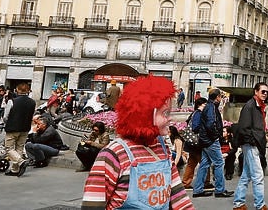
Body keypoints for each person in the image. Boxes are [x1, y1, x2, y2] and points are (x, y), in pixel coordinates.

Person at [82, 75, 194, 209]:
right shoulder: (112, 155)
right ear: (145, 115)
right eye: (165, 113)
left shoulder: (163, 149)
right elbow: (92, 205)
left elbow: (179, 198)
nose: (170, 119)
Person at [232, 82, 268, 210]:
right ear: (256, 92)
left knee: (246, 176)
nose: (265, 94)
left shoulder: (259, 106)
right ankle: (260, 205)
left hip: (255, 144)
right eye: (262, 91)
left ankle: (238, 203)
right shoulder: (250, 106)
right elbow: (244, 128)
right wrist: (253, 141)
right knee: (258, 176)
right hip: (251, 145)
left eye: (266, 92)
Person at [193, 87, 234, 198]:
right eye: (220, 96)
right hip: (210, 141)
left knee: (204, 164)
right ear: (218, 97)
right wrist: (216, 136)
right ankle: (220, 190)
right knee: (219, 162)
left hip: (205, 140)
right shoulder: (211, 108)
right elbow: (211, 124)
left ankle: (198, 189)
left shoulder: (209, 107)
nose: (221, 98)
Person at [3, 83, 36, 177]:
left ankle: (21, 162)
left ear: (17, 90)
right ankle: (15, 169)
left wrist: (6, 123)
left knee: (8, 148)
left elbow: (6, 116)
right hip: (25, 128)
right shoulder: (32, 102)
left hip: (13, 127)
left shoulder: (12, 101)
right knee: (19, 148)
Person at [181, 97, 211, 189]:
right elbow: (195, 127)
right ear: (199, 105)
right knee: (204, 162)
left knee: (191, 163)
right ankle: (206, 182)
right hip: (197, 143)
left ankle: (186, 182)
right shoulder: (198, 114)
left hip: (191, 143)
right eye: (204, 104)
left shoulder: (194, 113)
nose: (206, 106)